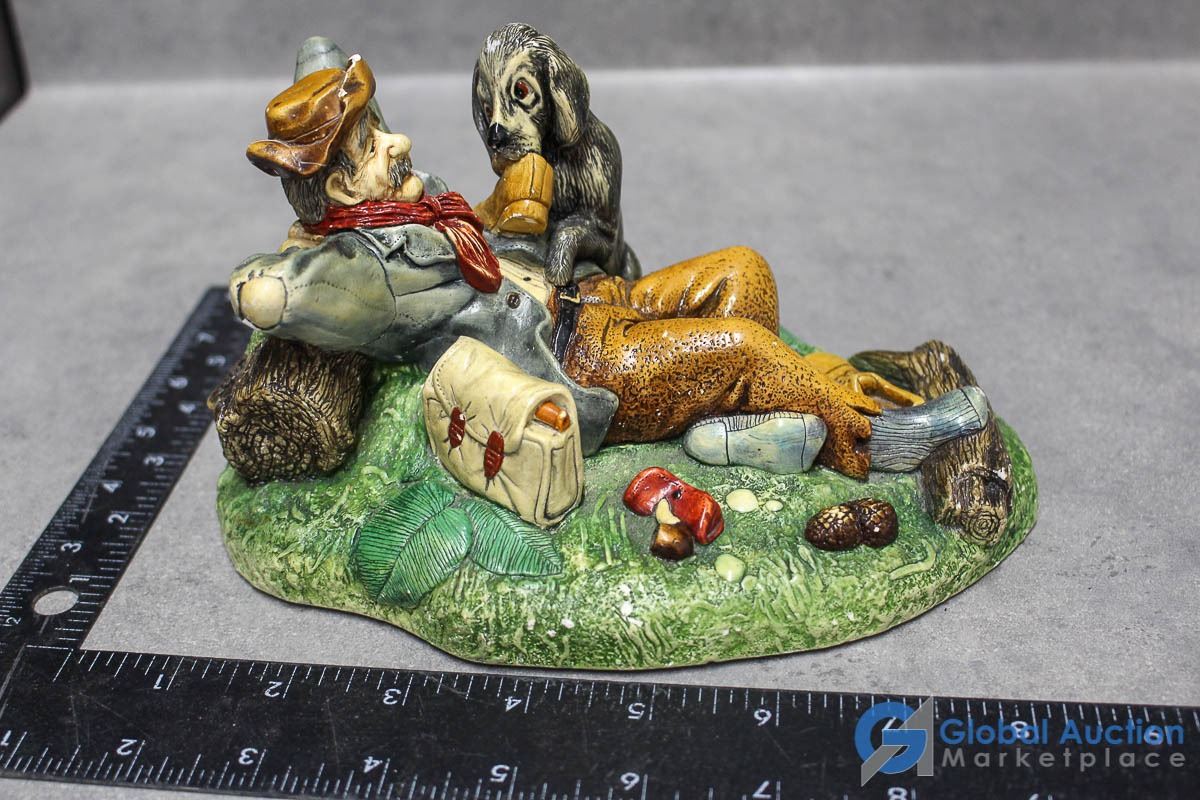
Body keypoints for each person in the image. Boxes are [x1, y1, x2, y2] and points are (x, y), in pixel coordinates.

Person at [232, 48, 985, 479]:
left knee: (743, 272)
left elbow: (476, 224)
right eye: (371, 146)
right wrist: (267, 280)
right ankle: (877, 439)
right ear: (339, 192)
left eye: (379, 129)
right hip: (576, 362)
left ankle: (745, 428)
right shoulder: (369, 270)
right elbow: (285, 295)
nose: (396, 144)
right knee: (747, 346)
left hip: (588, 301)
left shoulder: (410, 206)